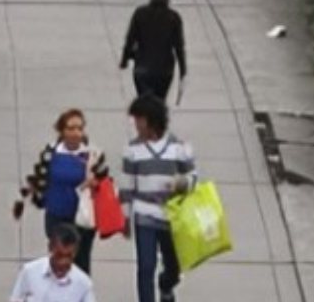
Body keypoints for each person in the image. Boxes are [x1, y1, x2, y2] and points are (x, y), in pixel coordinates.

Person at [12, 110, 113, 276]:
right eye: (71, 128)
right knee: (59, 259)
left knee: (80, 262)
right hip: (56, 215)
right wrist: (25, 197)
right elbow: (39, 177)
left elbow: (105, 181)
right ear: (62, 130)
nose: (76, 133)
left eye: (79, 128)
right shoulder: (51, 153)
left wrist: (94, 183)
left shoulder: (92, 154)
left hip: (81, 218)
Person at [120, 95, 194, 302]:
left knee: (174, 265)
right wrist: (125, 217)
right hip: (144, 216)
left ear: (151, 120)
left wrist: (180, 184)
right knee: (145, 266)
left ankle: (166, 284)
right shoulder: (132, 150)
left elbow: (193, 177)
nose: (135, 124)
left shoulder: (178, 148)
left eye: (139, 119)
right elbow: (126, 186)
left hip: (172, 217)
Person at [121, 0, 187, 102]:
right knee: (158, 102)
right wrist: (183, 70)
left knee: (145, 102)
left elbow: (130, 39)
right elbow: (179, 47)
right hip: (164, 70)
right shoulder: (174, 18)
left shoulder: (140, 14)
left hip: (142, 67)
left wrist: (125, 59)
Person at [10, 222, 97, 302]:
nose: (63, 262)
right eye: (59, 255)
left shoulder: (83, 283)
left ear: (75, 252)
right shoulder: (29, 272)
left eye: (69, 256)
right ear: (50, 247)